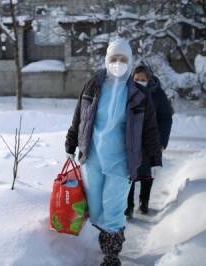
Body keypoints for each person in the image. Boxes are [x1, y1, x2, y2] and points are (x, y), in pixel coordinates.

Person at [65, 38, 162, 266]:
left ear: (130, 62)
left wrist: (154, 157)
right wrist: (71, 143)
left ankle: (112, 254)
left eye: (123, 59)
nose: (118, 63)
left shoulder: (138, 93)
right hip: (93, 158)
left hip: (122, 160)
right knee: (97, 208)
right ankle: (107, 236)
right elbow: (79, 117)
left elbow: (150, 127)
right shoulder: (93, 86)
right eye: (113, 59)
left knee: (114, 207)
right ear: (107, 60)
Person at [124, 64, 173, 217]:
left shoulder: (157, 94)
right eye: (136, 79)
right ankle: (128, 207)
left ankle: (144, 202)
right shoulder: (127, 92)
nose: (139, 82)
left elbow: (166, 118)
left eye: (143, 79)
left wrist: (162, 142)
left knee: (147, 173)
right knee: (129, 174)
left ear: (149, 79)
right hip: (131, 140)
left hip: (151, 139)